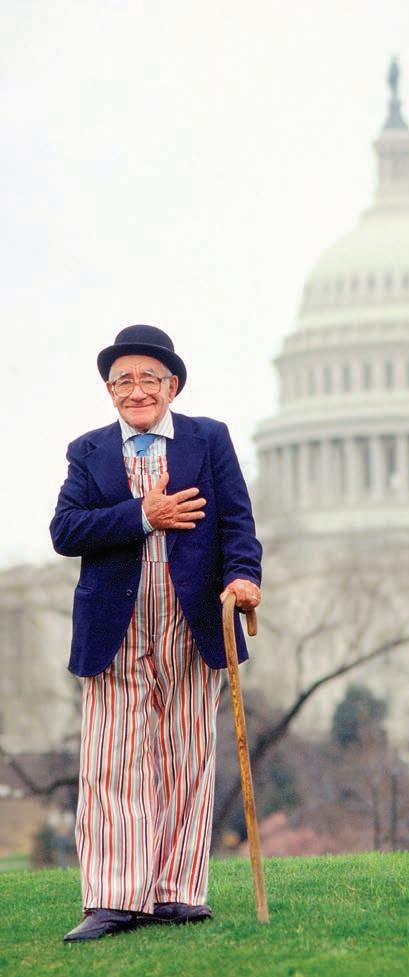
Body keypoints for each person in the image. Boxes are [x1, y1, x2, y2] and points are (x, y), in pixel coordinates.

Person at [50, 324, 262, 943]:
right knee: (112, 762)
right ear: (109, 391)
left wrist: (244, 576)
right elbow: (66, 531)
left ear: (172, 386)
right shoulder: (87, 451)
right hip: (114, 630)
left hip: (191, 621)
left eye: (149, 379)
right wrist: (144, 515)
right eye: (123, 381)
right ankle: (114, 898)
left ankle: (175, 893)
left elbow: (237, 522)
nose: (136, 390)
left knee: (185, 756)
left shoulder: (208, 439)